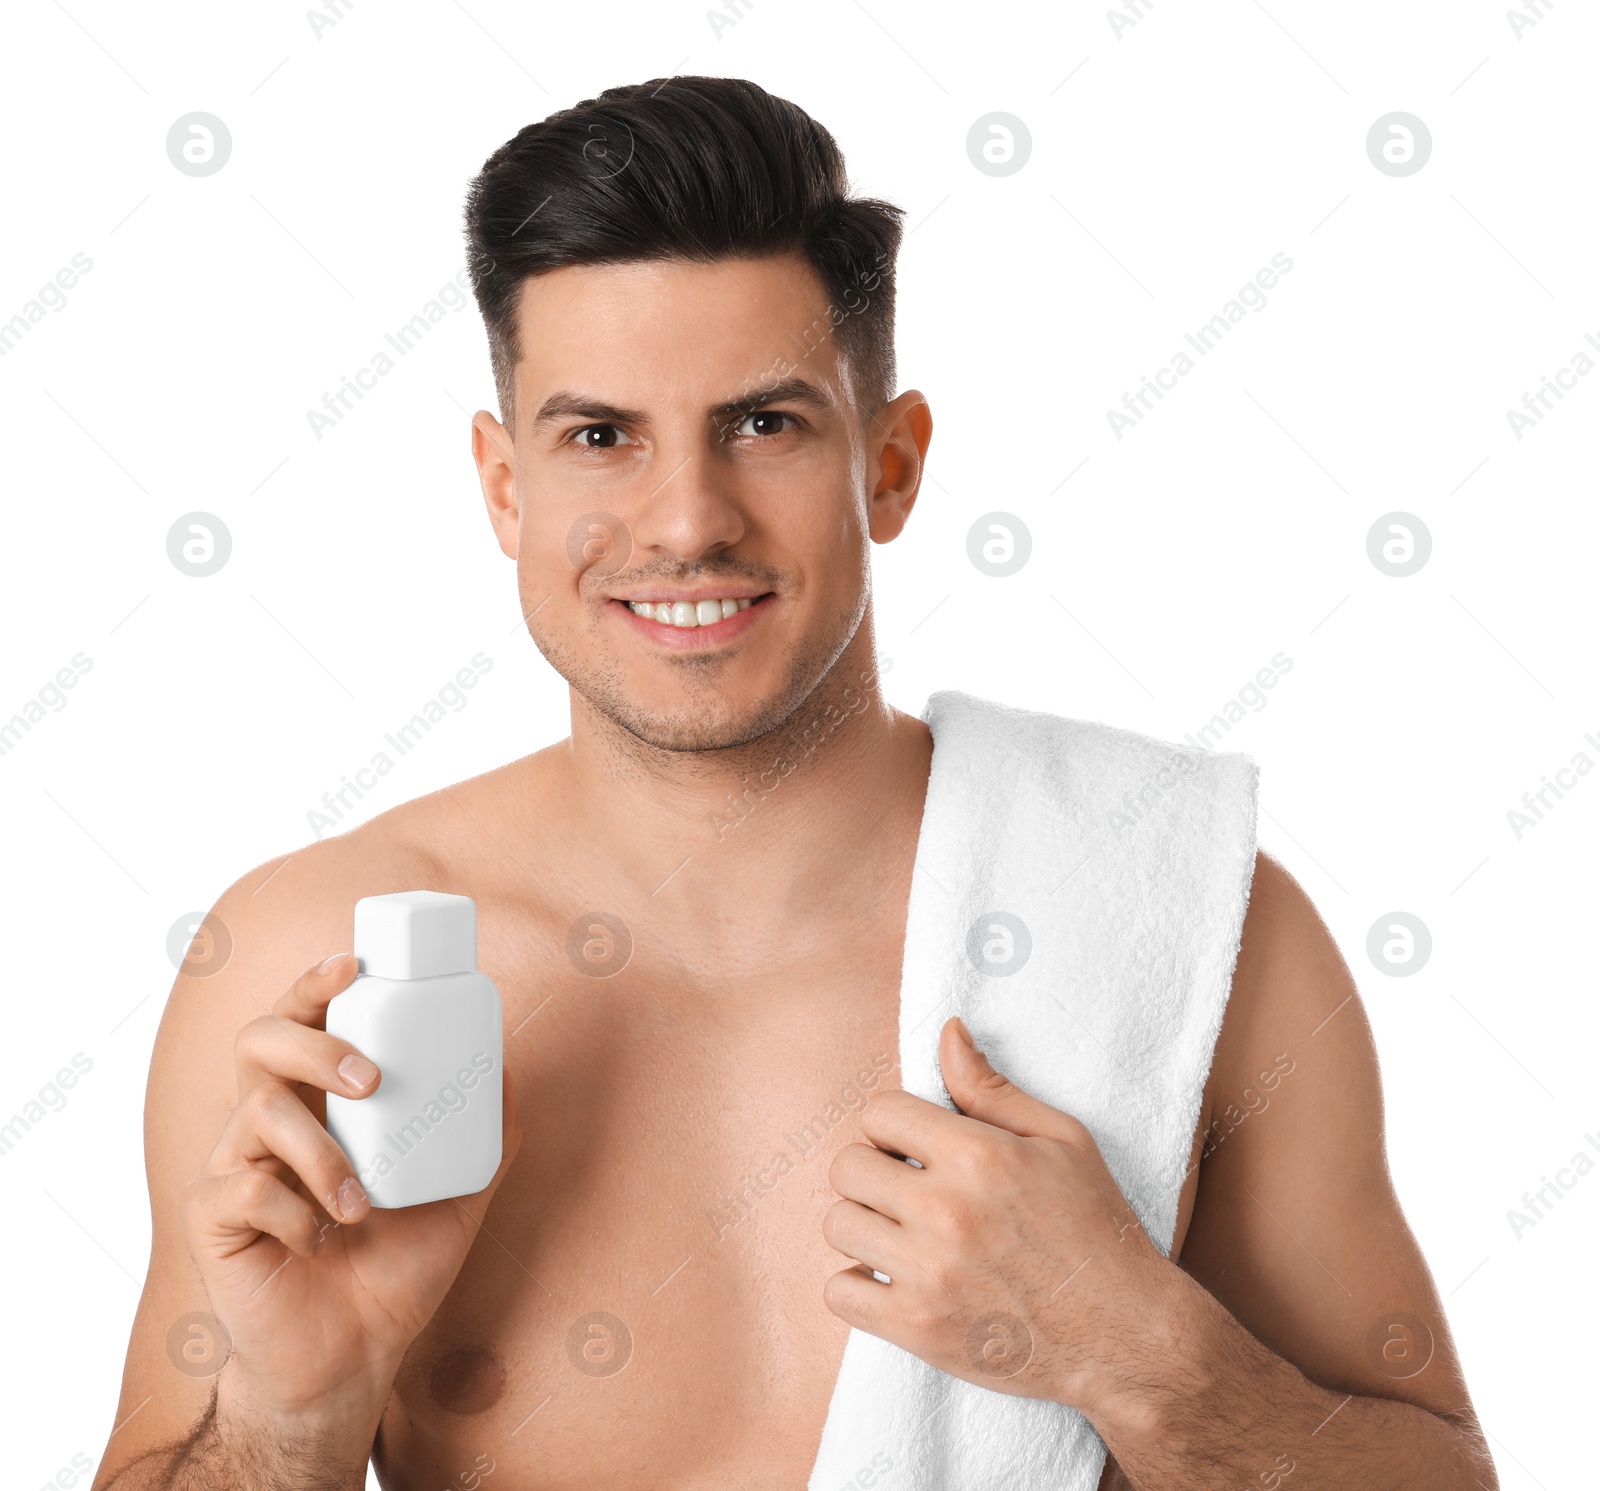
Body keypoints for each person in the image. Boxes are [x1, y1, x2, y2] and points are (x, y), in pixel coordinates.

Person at [93, 76, 1496, 1490]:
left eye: (764, 425)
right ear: (504, 487)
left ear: (890, 466)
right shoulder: (308, 981)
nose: (689, 520)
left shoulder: (1186, 924)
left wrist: (1131, 1346)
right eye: (600, 437)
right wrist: (295, 1423)